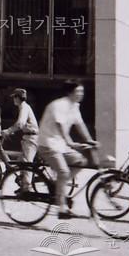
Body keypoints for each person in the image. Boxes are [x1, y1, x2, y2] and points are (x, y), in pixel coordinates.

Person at [38, 80, 96, 219]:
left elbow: (80, 125)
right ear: (70, 92)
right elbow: (60, 126)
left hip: (60, 145)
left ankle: (59, 186)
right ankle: (62, 208)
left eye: (82, 91)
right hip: (48, 144)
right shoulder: (59, 105)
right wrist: (70, 142)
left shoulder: (75, 106)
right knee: (64, 172)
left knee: (81, 161)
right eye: (78, 91)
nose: (81, 94)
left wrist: (90, 140)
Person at [2, 88, 39, 186]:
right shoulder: (23, 107)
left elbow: (20, 123)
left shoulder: (24, 107)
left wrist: (9, 131)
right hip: (28, 137)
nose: (13, 99)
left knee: (27, 164)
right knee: (21, 162)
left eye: (14, 97)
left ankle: (27, 188)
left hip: (31, 139)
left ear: (18, 98)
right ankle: (23, 184)